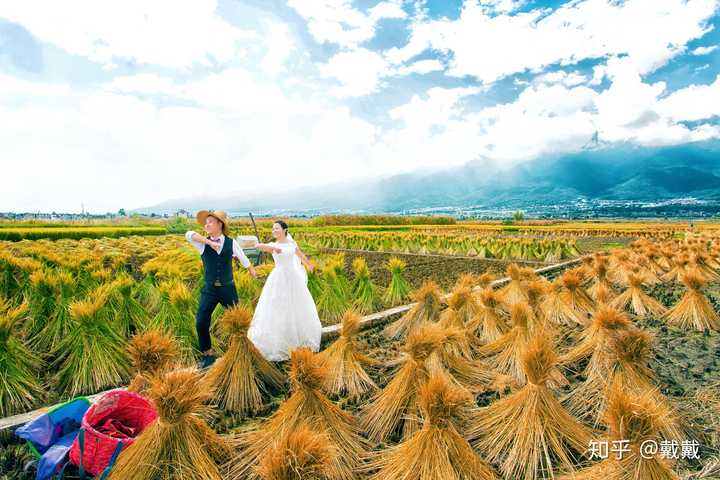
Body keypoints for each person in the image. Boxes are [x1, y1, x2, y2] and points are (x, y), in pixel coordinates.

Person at [185, 210, 257, 368]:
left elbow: (242, 256)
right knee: (201, 321)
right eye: (206, 223)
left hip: (227, 289)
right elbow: (188, 234)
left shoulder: (231, 243)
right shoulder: (202, 243)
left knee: (238, 321)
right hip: (209, 290)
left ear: (220, 224)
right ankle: (207, 354)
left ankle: (242, 349)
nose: (206, 224)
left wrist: (251, 269)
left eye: (210, 222)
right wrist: (209, 242)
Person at [248, 220, 322, 361]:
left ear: (284, 230)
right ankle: (279, 340)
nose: (274, 231)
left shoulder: (292, 244)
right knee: (278, 305)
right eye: (273, 229)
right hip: (278, 277)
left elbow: (300, 255)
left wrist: (309, 265)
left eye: (276, 228)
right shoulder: (273, 245)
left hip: (293, 277)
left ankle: (297, 337)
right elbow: (258, 246)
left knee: (296, 305)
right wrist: (273, 249)